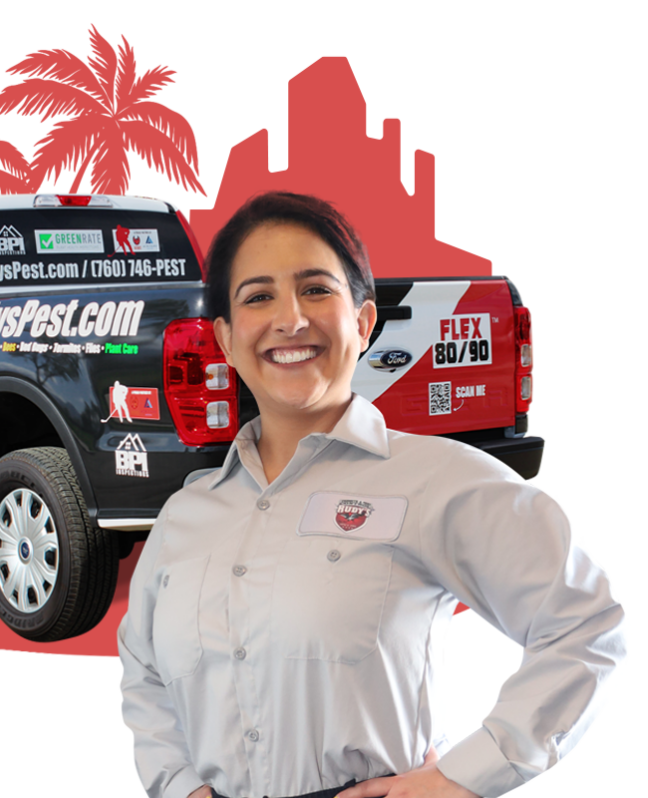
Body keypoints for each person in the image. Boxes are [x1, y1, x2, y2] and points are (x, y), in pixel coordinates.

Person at [117, 192, 626, 798]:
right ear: (225, 340)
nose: (290, 320)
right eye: (259, 297)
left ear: (362, 322)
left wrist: (469, 774)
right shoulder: (186, 515)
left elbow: (584, 624)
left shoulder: (438, 480)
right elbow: (142, 670)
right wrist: (175, 784)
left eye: (315, 289)